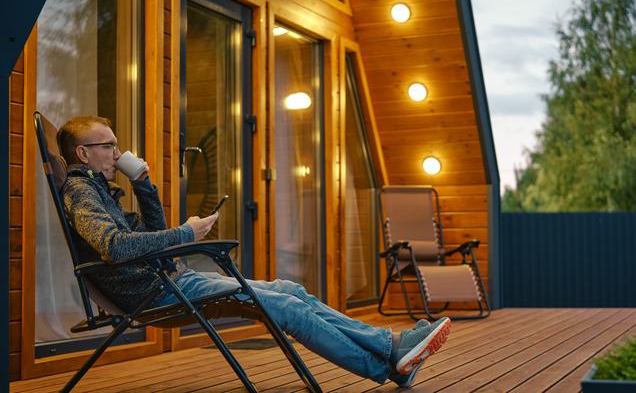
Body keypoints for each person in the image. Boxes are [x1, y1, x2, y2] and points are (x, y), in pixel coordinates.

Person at [57, 115, 451, 387]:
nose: (116, 152)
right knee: (286, 308)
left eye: (116, 145)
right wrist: (186, 233)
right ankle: (386, 361)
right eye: (109, 145)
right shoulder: (80, 191)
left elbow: (152, 234)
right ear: (83, 154)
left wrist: (143, 183)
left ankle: (393, 355)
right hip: (156, 293)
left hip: (171, 280)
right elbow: (115, 246)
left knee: (291, 291)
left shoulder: (103, 193)